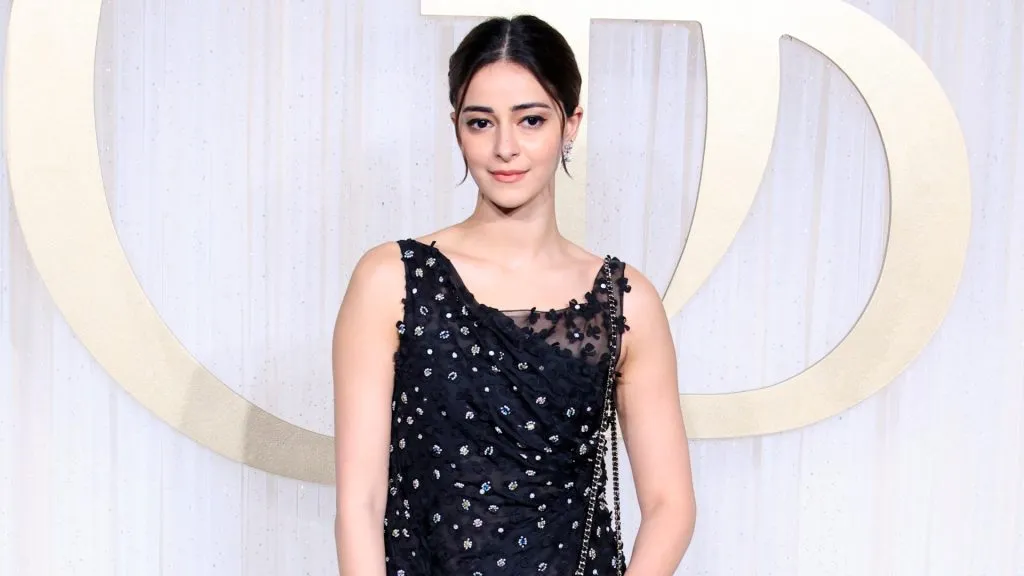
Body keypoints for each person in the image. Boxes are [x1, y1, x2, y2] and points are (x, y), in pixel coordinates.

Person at [332, 14, 695, 575]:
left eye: (530, 120)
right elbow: (359, 502)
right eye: (481, 122)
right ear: (456, 127)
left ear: (570, 124)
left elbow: (671, 504)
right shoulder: (391, 280)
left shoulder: (625, 302)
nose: (505, 147)